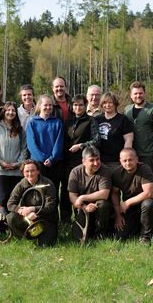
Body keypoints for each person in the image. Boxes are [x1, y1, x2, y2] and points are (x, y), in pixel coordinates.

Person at [61, 94, 101, 223]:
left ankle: (81, 217)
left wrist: (81, 146)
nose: (78, 107)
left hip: (83, 161)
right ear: (72, 107)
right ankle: (66, 219)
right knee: (67, 189)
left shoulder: (91, 120)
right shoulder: (68, 122)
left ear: (85, 106)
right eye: (75, 105)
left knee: (81, 189)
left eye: (81, 105)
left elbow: (97, 140)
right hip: (67, 161)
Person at [124, 81, 153, 202]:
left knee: (152, 184)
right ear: (131, 95)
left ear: (144, 93)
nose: (138, 96)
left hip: (149, 153)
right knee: (132, 184)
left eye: (140, 93)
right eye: (135, 94)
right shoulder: (126, 110)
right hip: (132, 155)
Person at [26, 94, 64, 219]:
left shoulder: (57, 122)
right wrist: (43, 159)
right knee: (39, 192)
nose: (48, 107)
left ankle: (53, 220)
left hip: (55, 163)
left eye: (50, 105)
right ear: (39, 106)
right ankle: (39, 219)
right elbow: (31, 144)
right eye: (45, 105)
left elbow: (59, 142)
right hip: (38, 164)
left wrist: (52, 158)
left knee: (53, 192)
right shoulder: (32, 123)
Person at [0, 101, 27, 213]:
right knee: (3, 197)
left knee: (12, 198)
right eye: (8, 110)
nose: (11, 112)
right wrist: (0, 162)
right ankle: (1, 225)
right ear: (3, 112)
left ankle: (6, 223)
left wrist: (18, 163)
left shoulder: (20, 129)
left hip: (16, 170)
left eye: (13, 110)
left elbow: (24, 148)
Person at [111, 148, 153, 245]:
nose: (127, 163)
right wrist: (118, 215)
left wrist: (127, 202)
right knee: (119, 237)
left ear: (137, 159)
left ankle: (146, 236)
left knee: (148, 204)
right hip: (129, 209)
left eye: (130, 159)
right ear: (120, 161)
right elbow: (115, 193)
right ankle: (138, 227)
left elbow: (149, 193)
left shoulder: (145, 169)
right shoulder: (116, 173)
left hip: (144, 205)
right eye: (124, 160)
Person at [7, 160, 59, 247]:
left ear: (38, 171)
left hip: (47, 219)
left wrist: (32, 209)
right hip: (28, 218)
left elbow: (50, 206)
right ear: (23, 173)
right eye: (27, 171)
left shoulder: (48, 183)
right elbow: (10, 204)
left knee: (44, 246)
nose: (30, 174)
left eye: (33, 170)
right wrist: (21, 211)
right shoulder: (20, 185)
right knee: (10, 217)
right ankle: (23, 238)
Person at [68, 146, 112, 240]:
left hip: (98, 206)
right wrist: (84, 206)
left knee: (103, 204)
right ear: (83, 161)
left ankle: (100, 234)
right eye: (92, 160)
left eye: (98, 159)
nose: (96, 163)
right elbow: (72, 196)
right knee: (78, 238)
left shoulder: (105, 170)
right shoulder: (75, 172)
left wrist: (83, 197)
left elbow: (104, 194)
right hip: (82, 207)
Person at [96, 92, 134, 170]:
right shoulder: (97, 119)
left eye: (110, 102)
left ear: (115, 104)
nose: (107, 105)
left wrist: (125, 157)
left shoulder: (123, 119)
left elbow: (129, 139)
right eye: (105, 103)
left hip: (116, 161)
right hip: (99, 161)